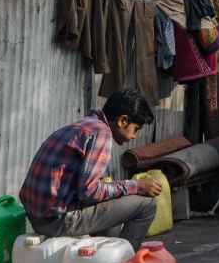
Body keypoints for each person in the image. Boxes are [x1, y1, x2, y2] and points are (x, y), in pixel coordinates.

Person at [20, 89, 162, 248]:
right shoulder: (101, 133)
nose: (135, 136)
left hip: (36, 217)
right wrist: (137, 186)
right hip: (58, 221)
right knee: (147, 205)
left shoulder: (83, 125)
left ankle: (104, 259)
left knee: (113, 195)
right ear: (123, 121)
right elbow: (89, 192)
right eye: (136, 129)